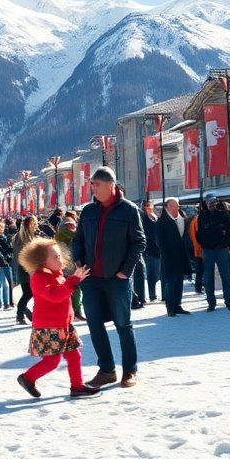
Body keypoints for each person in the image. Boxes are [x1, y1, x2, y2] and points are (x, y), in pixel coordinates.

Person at [70, 167, 146, 389]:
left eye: (96, 184)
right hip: (92, 280)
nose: (92, 188)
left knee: (123, 325)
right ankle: (107, 370)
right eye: (92, 184)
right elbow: (78, 240)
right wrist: (78, 261)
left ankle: (129, 371)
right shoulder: (88, 211)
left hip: (117, 280)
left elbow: (139, 242)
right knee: (94, 325)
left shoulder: (129, 210)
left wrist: (125, 271)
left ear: (110, 185)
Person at [14, 238, 100, 399]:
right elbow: (55, 296)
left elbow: (64, 293)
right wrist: (73, 280)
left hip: (64, 324)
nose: (60, 259)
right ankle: (27, 378)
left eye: (60, 255)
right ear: (42, 262)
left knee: (74, 355)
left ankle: (77, 386)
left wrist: (75, 280)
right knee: (51, 362)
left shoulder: (57, 275)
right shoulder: (39, 278)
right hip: (49, 327)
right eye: (55, 257)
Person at [193, 196, 230, 312]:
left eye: (214, 203)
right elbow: (200, 233)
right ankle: (211, 302)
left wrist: (225, 236)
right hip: (208, 250)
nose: (212, 205)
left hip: (221, 248)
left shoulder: (223, 214)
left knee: (225, 276)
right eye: (210, 203)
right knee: (208, 277)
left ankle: (229, 301)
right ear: (206, 204)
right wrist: (204, 243)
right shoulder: (202, 216)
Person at [155, 198, 192, 317]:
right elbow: (160, 242)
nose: (176, 208)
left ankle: (177, 305)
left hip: (180, 256)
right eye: (173, 206)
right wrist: (166, 256)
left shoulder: (181, 220)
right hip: (169, 257)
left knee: (179, 282)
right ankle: (170, 307)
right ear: (167, 208)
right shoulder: (161, 222)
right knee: (170, 282)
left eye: (177, 206)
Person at [11, 216, 40, 325]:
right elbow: (20, 255)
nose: (35, 225)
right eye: (33, 223)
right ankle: (21, 314)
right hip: (25, 269)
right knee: (28, 293)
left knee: (29, 293)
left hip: (31, 269)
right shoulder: (21, 237)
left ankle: (24, 313)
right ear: (27, 224)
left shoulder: (31, 236)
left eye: (36, 223)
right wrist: (29, 268)